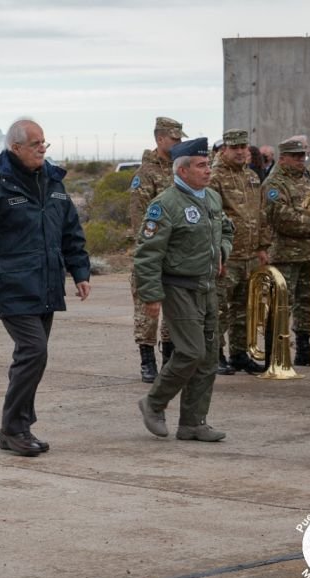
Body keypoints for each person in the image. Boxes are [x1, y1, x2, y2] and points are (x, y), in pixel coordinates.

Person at [0, 118, 91, 456]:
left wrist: (80, 271)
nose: (42, 149)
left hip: (47, 284)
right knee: (34, 351)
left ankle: (19, 427)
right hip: (12, 285)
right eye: (35, 144)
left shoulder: (54, 183)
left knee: (33, 358)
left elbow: (71, 232)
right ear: (15, 148)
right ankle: (13, 428)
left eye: (44, 143)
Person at [134, 138, 234, 442]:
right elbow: (148, 254)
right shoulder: (165, 204)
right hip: (179, 287)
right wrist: (151, 295)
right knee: (191, 352)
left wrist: (222, 252)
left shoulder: (211, 198)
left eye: (208, 164)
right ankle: (154, 403)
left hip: (207, 287)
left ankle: (193, 423)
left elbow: (226, 229)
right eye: (201, 165)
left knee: (208, 358)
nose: (208, 170)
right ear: (183, 170)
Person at [128, 117, 185, 382]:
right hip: (151, 254)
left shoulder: (179, 170)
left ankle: (169, 361)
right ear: (160, 139)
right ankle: (147, 361)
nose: (178, 142)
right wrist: (151, 251)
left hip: (177, 254)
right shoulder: (145, 174)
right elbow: (140, 220)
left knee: (174, 311)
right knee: (147, 312)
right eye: (174, 138)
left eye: (180, 139)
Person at [209, 129, 270, 375]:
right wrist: (217, 254)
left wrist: (262, 246)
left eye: (244, 147)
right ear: (224, 150)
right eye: (235, 148)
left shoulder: (252, 176)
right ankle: (215, 355)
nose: (240, 152)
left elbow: (261, 213)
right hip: (228, 256)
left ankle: (239, 354)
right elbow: (211, 218)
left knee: (245, 309)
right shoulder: (214, 177)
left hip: (249, 256)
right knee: (219, 309)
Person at [263, 136, 310, 366]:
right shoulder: (274, 183)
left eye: (302, 156)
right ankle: (275, 351)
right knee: (282, 303)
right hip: (285, 254)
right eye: (295, 156)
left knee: (308, 302)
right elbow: (282, 217)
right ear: (283, 158)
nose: (300, 160)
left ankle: (303, 347)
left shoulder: (307, 179)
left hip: (309, 253)